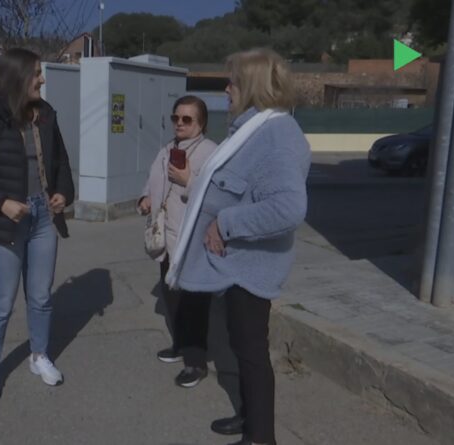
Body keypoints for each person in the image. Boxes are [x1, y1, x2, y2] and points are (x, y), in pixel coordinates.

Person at [165, 49, 310, 445]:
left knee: (250, 350)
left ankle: (261, 436)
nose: (226, 89)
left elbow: (288, 208)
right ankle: (249, 418)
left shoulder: (276, 134)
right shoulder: (252, 130)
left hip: (250, 267)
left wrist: (226, 224)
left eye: (232, 82)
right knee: (242, 345)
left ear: (251, 87)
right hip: (235, 264)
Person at [0, 48, 75, 404]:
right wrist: (1, 202)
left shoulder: (46, 114)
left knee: (41, 297)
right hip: (3, 223)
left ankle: (39, 356)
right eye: (36, 73)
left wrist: (63, 194)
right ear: (18, 77)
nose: (42, 79)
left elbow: (60, 163)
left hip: (43, 217)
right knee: (1, 303)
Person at [138, 96, 217, 388]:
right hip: (166, 237)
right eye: (176, 118)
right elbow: (153, 179)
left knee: (193, 303)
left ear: (201, 123)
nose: (180, 124)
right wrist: (146, 197)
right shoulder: (167, 149)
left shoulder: (210, 152)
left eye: (187, 119)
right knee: (172, 296)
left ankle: (196, 362)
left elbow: (217, 195)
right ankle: (181, 345)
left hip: (192, 241)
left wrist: (188, 180)